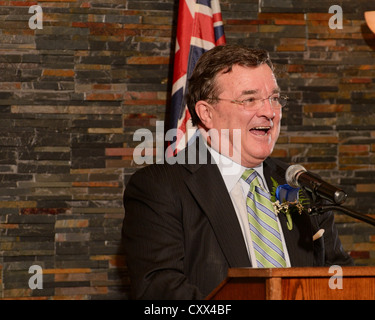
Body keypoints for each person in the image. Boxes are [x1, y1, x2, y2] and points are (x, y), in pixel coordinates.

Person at [122, 44, 353, 300]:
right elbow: (161, 291)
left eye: (274, 98)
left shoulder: (303, 186)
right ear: (206, 113)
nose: (269, 112)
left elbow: (340, 276)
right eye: (249, 99)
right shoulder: (159, 187)